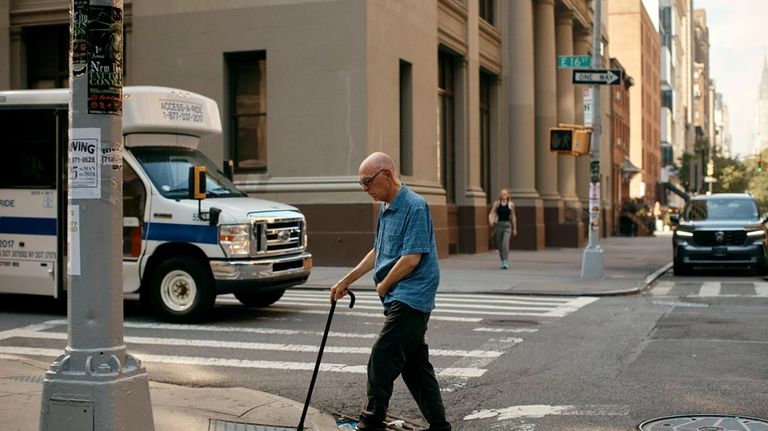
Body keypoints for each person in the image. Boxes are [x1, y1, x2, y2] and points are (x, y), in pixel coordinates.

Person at [330, 152, 451, 431]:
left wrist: (383, 285)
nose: (365, 190)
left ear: (385, 174)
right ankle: (440, 426)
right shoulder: (386, 207)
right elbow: (378, 250)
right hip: (398, 296)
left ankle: (370, 421)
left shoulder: (415, 206)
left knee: (382, 356)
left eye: (367, 182)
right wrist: (346, 280)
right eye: (361, 184)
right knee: (415, 367)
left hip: (412, 296)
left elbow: (411, 258)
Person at [488, 188, 517, 269]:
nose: (503, 195)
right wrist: (491, 220)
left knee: (505, 244)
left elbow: (513, 216)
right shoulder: (497, 204)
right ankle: (502, 260)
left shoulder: (511, 204)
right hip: (498, 225)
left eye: (505, 194)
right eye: (502, 194)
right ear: (500, 195)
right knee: (500, 245)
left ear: (508, 195)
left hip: (507, 225)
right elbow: (492, 212)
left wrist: (515, 229)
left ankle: (505, 262)